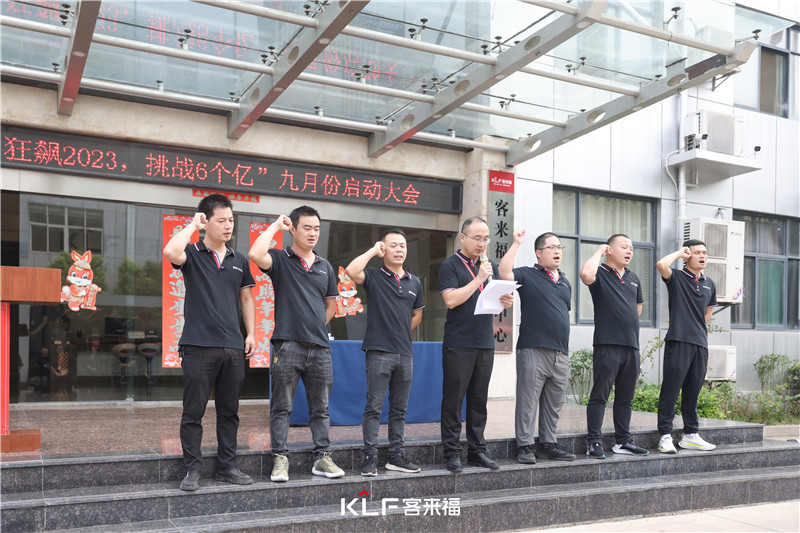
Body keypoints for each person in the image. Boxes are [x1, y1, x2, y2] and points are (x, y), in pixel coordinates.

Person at [163, 193, 256, 492]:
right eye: (222, 220)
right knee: (194, 411)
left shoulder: (239, 260)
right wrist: (193, 226)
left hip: (232, 346)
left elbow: (246, 298)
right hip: (198, 345)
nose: (228, 226)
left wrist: (251, 334)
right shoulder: (192, 253)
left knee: (229, 412)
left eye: (231, 220)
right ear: (206, 222)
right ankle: (193, 469)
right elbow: (170, 251)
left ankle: (228, 467)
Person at [249, 206, 344, 482]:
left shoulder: (325, 266)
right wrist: (275, 226)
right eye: (307, 228)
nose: (313, 233)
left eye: (317, 228)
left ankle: (322, 458)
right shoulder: (280, 259)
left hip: (320, 348)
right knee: (281, 407)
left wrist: (314, 326)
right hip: (287, 346)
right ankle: (280, 458)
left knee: (321, 409)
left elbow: (331, 306)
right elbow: (255, 254)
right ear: (293, 229)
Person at [345, 228, 425, 477]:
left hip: (405, 353)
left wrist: (399, 331)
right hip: (378, 352)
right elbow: (351, 271)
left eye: (403, 245)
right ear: (383, 248)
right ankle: (370, 457)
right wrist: (372, 251)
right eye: (393, 245)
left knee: (399, 409)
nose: (399, 249)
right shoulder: (373, 276)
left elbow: (417, 314)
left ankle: (396, 457)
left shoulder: (414, 282)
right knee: (374, 407)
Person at [439, 217, 514, 473]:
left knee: (479, 400)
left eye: (486, 238)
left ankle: (477, 450)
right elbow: (451, 300)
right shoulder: (450, 265)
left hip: (484, 341)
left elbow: (488, 302)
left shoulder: (489, 266)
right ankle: (451, 453)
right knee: (453, 400)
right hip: (459, 343)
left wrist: (504, 301)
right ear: (463, 237)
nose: (482, 243)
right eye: (477, 238)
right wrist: (478, 279)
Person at [499, 230, 576, 464]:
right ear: (539, 253)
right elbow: (504, 272)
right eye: (552, 247)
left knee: (554, 404)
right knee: (528, 401)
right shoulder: (528, 274)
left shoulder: (565, 282)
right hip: (533, 349)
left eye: (559, 247)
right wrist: (516, 243)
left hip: (560, 353)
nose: (557, 251)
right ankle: (524, 446)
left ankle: (548, 444)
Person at [579, 234, 649, 459]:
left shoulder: (633, 278)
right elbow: (585, 275)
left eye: (632, 248)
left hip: (631, 346)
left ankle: (623, 441)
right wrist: (599, 252)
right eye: (624, 247)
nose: (629, 251)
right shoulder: (600, 272)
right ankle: (594, 442)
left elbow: (638, 308)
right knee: (600, 395)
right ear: (610, 250)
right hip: (607, 344)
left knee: (625, 398)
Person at [656, 239, 718, 453]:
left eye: (705, 253)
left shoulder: (710, 283)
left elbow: (708, 314)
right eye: (697, 252)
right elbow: (661, 265)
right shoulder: (677, 277)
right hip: (678, 340)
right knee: (671, 389)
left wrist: (694, 326)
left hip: (700, 343)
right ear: (688, 255)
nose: (703, 256)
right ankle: (665, 435)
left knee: (693, 392)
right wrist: (679, 253)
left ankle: (690, 435)